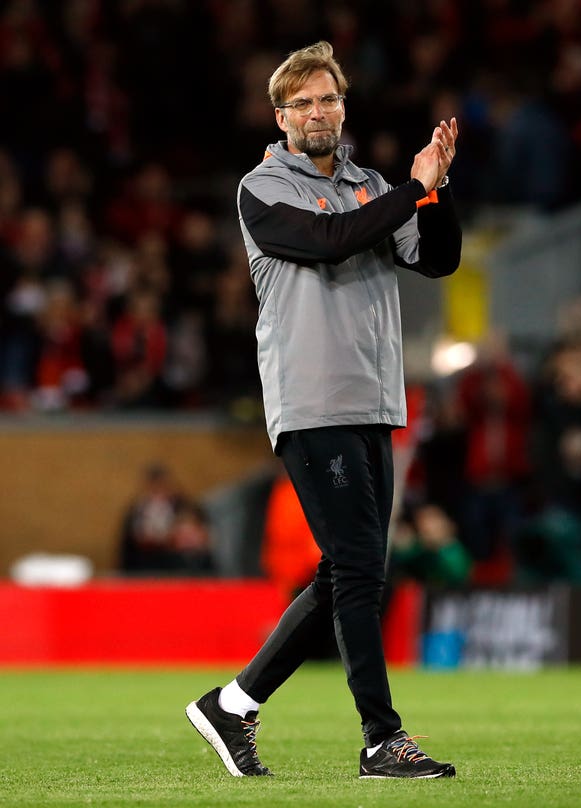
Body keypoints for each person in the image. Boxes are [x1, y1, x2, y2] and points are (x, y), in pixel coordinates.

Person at [185, 40, 461, 780]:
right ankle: (381, 738)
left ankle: (233, 706)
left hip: (373, 399)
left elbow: (435, 259)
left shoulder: (370, 182)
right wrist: (408, 191)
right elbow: (330, 242)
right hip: (311, 402)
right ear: (281, 117)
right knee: (359, 568)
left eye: (328, 99)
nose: (317, 112)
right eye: (302, 102)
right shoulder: (263, 187)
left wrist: (436, 189)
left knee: (350, 570)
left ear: (343, 108)